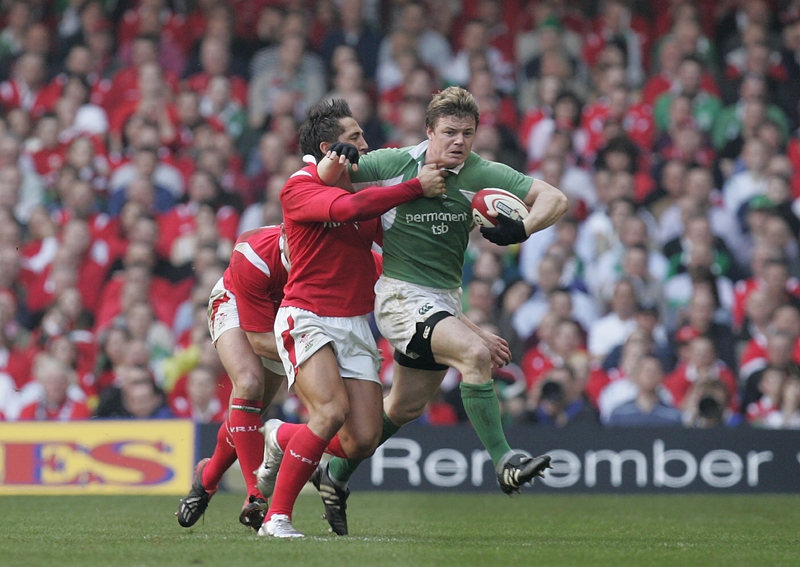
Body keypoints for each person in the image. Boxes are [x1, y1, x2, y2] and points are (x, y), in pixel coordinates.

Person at [314, 86, 568, 535]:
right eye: (449, 132)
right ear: (429, 131)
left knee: (401, 409)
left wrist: (523, 228)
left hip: (444, 301)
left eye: (467, 133)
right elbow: (332, 175)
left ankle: (334, 475)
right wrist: (336, 155)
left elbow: (555, 198)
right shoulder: (394, 163)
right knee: (474, 355)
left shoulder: (481, 172)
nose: (458, 141)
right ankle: (505, 459)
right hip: (400, 299)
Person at [257, 99, 447, 538]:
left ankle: (280, 437)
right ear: (329, 148)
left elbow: (396, 242)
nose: (366, 143)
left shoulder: (363, 195)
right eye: (355, 137)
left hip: (354, 324)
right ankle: (277, 518)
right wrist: (416, 186)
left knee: (362, 438)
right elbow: (345, 212)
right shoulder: (298, 187)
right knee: (330, 412)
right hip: (306, 317)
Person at [176, 224, 290, 532]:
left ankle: (208, 476)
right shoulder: (254, 253)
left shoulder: (326, 254)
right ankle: (256, 495)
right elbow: (258, 340)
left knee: (248, 414)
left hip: (283, 317)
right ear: (285, 234)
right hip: (237, 304)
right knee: (249, 384)